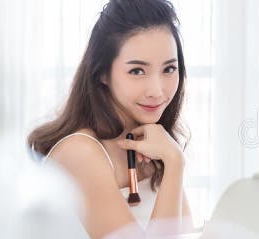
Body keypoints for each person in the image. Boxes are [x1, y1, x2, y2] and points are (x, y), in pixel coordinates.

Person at [27, 0, 194, 237]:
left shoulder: (156, 145)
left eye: (169, 69)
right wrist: (176, 163)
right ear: (103, 73)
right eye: (137, 71)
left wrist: (171, 161)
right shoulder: (80, 153)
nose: (157, 90)